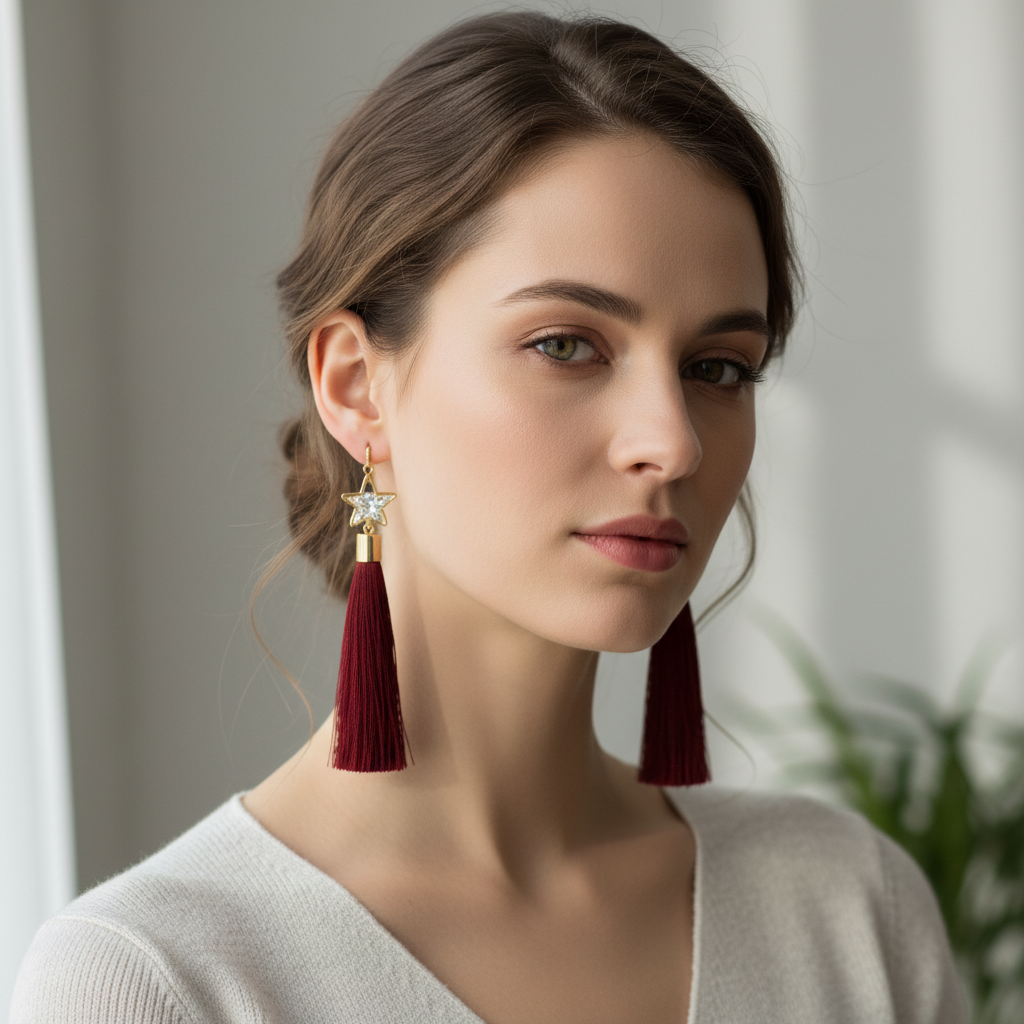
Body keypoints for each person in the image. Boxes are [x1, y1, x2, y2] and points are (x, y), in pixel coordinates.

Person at [11, 11, 968, 1023]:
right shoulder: (154, 981)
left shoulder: (848, 910)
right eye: (566, 345)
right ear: (356, 386)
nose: (673, 441)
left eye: (717, 367)